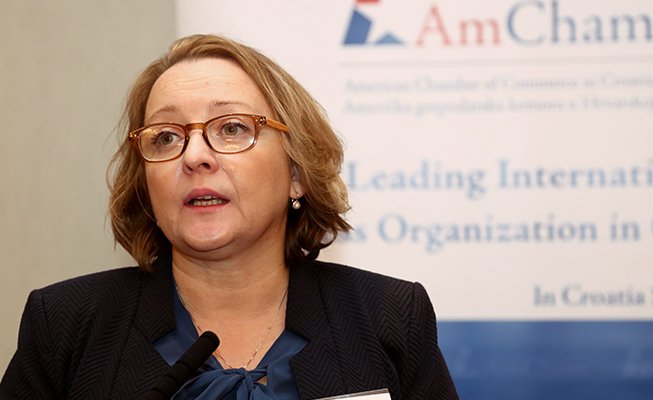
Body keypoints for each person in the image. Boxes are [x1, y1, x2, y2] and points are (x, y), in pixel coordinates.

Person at [0, 34, 458, 399]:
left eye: (232, 128)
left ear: (296, 174)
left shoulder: (389, 317)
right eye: (165, 137)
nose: (194, 156)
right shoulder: (65, 324)